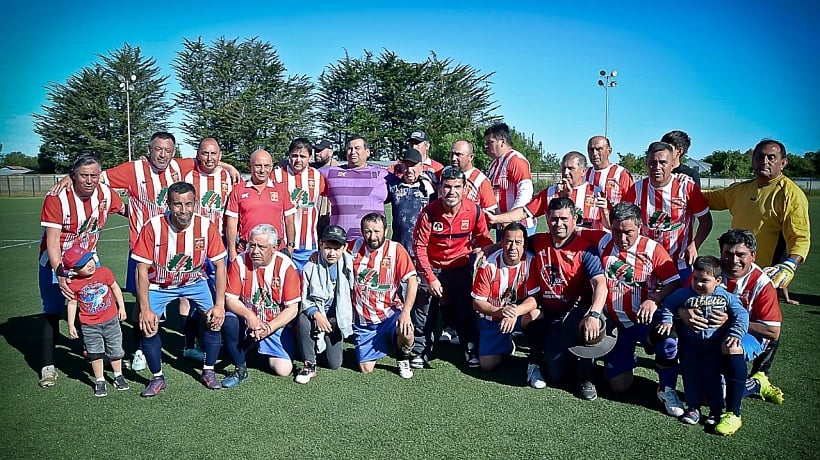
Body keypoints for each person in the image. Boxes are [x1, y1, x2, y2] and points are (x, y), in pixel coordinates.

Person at [587, 202, 684, 417]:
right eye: (616, 231)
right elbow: (569, 235)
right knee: (619, 387)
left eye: (628, 232)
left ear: (640, 227)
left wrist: (655, 299)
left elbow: (674, 280)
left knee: (668, 339)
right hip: (617, 323)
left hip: (644, 319)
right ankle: (623, 359)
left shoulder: (652, 249)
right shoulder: (602, 241)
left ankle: (666, 389)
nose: (622, 238)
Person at [132, 182, 228, 397]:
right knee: (148, 326)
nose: (183, 210)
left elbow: (221, 266)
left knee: (215, 319)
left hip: (195, 282)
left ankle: (209, 371)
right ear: (168, 204)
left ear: (195, 203)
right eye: (177, 204)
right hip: (160, 284)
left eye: (188, 204)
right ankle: (157, 378)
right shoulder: (153, 227)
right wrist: (145, 308)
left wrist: (220, 304)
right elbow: (141, 270)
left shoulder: (206, 226)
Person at [38, 153, 125, 388]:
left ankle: (94, 352)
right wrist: (60, 272)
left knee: (93, 304)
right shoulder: (57, 197)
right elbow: (53, 240)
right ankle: (48, 366)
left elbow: (127, 209)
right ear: (73, 175)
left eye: (94, 175)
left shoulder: (106, 193)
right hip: (55, 263)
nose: (89, 180)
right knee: (53, 309)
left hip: (88, 261)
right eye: (84, 175)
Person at [678, 229, 784, 404]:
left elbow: (773, 332)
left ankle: (755, 383)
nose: (734, 261)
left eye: (741, 254)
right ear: (721, 253)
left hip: (747, 336)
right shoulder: (709, 272)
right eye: (728, 253)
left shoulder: (762, 284)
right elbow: (678, 301)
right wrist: (683, 312)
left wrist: (732, 321)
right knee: (671, 332)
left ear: (753, 255)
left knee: (712, 396)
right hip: (709, 332)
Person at [702, 139, 810, 305]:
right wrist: (680, 185)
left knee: (760, 325)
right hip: (734, 268)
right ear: (753, 160)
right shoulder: (741, 189)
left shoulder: (791, 194)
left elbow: (800, 237)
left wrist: (790, 264)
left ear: (783, 163)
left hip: (763, 277)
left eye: (771, 157)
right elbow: (709, 198)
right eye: (760, 157)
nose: (764, 162)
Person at [524, 197, 607, 399]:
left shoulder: (585, 249)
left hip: (578, 314)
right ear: (547, 218)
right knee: (557, 375)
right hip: (551, 316)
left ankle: (587, 375)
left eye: (564, 219)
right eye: (553, 219)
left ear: (574, 219)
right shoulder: (537, 241)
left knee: (589, 327)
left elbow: (600, 284)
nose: (558, 224)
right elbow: (514, 243)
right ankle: (545, 355)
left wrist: (594, 314)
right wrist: (489, 249)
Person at [413, 168, 494, 368]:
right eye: (447, 187)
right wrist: (430, 277)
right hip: (432, 266)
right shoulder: (429, 213)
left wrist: (488, 254)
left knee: (466, 308)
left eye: (457, 187)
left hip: (460, 266)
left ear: (465, 188)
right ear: (440, 189)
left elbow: (484, 239)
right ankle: (420, 349)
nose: (452, 192)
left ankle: (470, 347)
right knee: (424, 308)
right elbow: (419, 247)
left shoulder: (474, 211)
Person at [661, 256, 749, 435]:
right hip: (690, 346)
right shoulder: (684, 294)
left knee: (713, 379)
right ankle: (693, 408)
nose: (699, 284)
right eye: (695, 279)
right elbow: (668, 304)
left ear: (717, 281)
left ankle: (716, 412)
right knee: (690, 376)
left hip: (713, 348)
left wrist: (735, 333)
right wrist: (667, 321)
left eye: (705, 281)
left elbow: (742, 314)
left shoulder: (726, 297)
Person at [221, 224, 301, 388]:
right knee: (229, 320)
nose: (255, 251)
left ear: (274, 247)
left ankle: (254, 345)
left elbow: (292, 309)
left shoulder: (286, 266)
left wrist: (268, 328)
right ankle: (240, 366)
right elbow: (230, 300)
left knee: (283, 369)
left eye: (261, 247)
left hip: (273, 324)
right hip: (247, 320)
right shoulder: (239, 262)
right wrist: (250, 316)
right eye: (252, 245)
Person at [623, 141, 712, 282]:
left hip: (680, 262)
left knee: (679, 302)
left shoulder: (687, 187)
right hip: (646, 261)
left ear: (672, 165)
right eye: (652, 163)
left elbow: (706, 221)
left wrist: (695, 244)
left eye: (663, 162)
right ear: (646, 164)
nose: (657, 167)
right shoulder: (636, 189)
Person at [178, 137, 234, 362]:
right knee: (187, 293)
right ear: (197, 154)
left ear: (220, 155)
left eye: (214, 154)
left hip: (219, 242)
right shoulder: (188, 175)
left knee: (219, 291)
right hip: (193, 242)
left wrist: (228, 166)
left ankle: (217, 337)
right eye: (205, 153)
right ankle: (189, 343)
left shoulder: (227, 176)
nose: (209, 158)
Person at [350, 213, 418, 378]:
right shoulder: (352, 248)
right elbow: (333, 253)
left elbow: (412, 281)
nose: (372, 236)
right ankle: (388, 341)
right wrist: (317, 255)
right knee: (366, 369)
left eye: (376, 231)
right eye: (367, 231)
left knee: (407, 330)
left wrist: (406, 313)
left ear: (385, 231)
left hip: (390, 313)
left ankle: (403, 357)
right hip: (364, 320)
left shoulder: (396, 250)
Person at [471, 223, 539, 371]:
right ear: (501, 243)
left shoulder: (531, 261)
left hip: (517, 314)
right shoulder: (488, 265)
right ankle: (507, 343)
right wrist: (501, 312)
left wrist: (514, 312)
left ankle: (536, 355)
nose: (513, 247)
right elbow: (477, 303)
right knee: (487, 366)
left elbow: (534, 298)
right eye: (508, 241)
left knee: (536, 314)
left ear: (524, 244)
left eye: (518, 242)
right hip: (493, 317)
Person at [63, 245, 129, 397]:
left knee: (116, 350)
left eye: (90, 259)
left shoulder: (104, 272)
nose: (90, 264)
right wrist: (71, 324)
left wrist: (122, 307)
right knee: (95, 353)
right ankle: (100, 380)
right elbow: (72, 303)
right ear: (74, 269)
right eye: (84, 264)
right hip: (89, 325)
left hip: (111, 320)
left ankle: (118, 375)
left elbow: (115, 288)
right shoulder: (73, 283)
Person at [294, 225, 355, 384]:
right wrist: (316, 314)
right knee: (303, 320)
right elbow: (305, 299)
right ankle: (309, 364)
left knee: (334, 364)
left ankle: (316, 345)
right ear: (321, 244)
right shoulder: (310, 266)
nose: (332, 253)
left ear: (344, 248)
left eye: (336, 248)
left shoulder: (349, 264)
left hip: (335, 319)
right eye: (328, 247)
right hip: (317, 314)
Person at [489, 151, 607, 231]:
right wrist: (496, 219)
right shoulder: (551, 192)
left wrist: (605, 212)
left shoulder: (596, 193)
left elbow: (610, 226)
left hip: (589, 251)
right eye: (563, 168)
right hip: (558, 252)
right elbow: (524, 212)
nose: (566, 172)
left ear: (583, 171)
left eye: (571, 168)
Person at [225, 149, 296, 261]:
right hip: (247, 249)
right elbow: (232, 222)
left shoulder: (281, 189)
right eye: (258, 166)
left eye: (266, 166)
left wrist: (290, 246)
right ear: (250, 166)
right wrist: (232, 251)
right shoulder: (238, 190)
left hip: (276, 250)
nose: (263, 170)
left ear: (271, 167)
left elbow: (289, 220)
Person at [272, 137, 327, 272]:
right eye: (294, 156)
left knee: (306, 284)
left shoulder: (317, 176)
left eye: (302, 156)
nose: (298, 160)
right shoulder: (277, 175)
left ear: (309, 157)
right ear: (289, 156)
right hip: (282, 242)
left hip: (308, 244)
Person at [321, 136, 389, 241]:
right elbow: (306, 174)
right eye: (349, 148)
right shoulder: (330, 172)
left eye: (357, 148)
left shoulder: (383, 174)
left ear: (367, 152)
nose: (353, 152)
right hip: (340, 242)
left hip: (372, 241)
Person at [485, 122, 536, 235]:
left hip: (519, 226)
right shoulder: (494, 164)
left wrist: (511, 217)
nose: (486, 146)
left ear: (502, 142)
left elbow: (526, 191)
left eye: (490, 142)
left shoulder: (516, 160)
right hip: (502, 225)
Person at [385, 148, 436, 255]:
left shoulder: (430, 186)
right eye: (406, 165)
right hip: (399, 250)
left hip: (424, 249)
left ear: (421, 167)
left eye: (413, 165)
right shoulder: (394, 187)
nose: (409, 170)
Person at [583, 135, 634, 204]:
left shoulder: (621, 173)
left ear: (609, 151)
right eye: (591, 150)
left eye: (599, 149)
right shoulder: (584, 173)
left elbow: (631, 201)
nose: (594, 153)